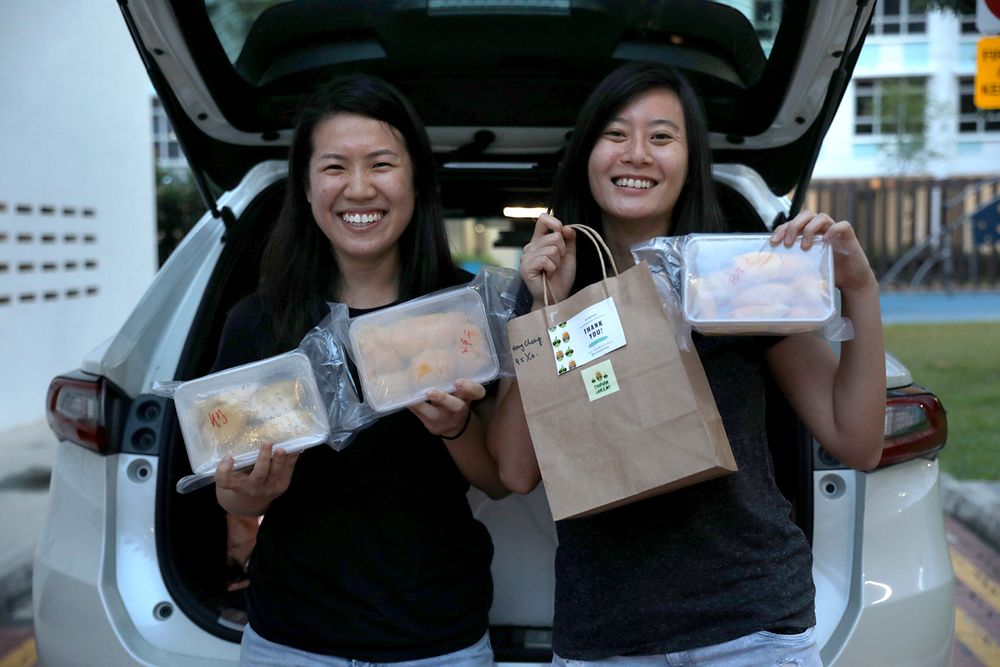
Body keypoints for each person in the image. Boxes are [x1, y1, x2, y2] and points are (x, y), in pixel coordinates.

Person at [488, 62, 885, 665]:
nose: (637, 154)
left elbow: (857, 441)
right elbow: (515, 471)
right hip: (604, 639)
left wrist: (860, 291)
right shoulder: (553, 278)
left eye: (662, 137)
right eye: (616, 134)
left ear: (689, 159)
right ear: (588, 152)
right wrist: (550, 308)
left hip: (749, 628)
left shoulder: (739, 274)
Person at [209, 73, 507, 666]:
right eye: (335, 167)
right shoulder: (258, 323)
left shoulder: (462, 314)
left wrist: (454, 427)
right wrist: (245, 493)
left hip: (438, 641)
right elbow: (231, 495)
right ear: (307, 185)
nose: (360, 188)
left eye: (381, 164)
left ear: (416, 179)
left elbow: (501, 479)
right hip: (290, 642)